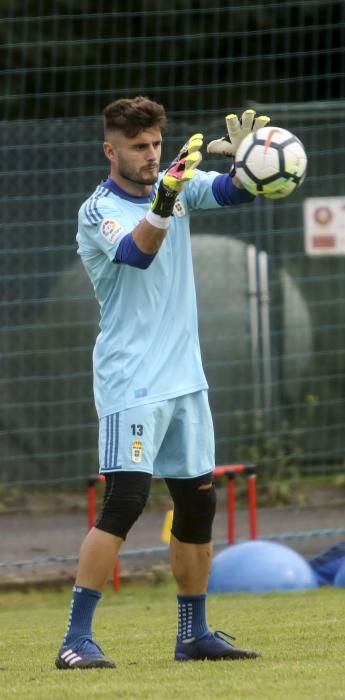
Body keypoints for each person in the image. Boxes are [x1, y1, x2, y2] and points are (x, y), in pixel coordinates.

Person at [55, 96, 269, 669]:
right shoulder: (96, 210)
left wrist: (251, 161)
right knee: (125, 500)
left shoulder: (176, 181)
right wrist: (167, 195)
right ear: (111, 150)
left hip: (185, 378)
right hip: (131, 380)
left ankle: (192, 634)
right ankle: (75, 640)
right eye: (137, 148)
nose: (150, 157)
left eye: (155, 145)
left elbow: (234, 192)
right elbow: (137, 252)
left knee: (198, 506)